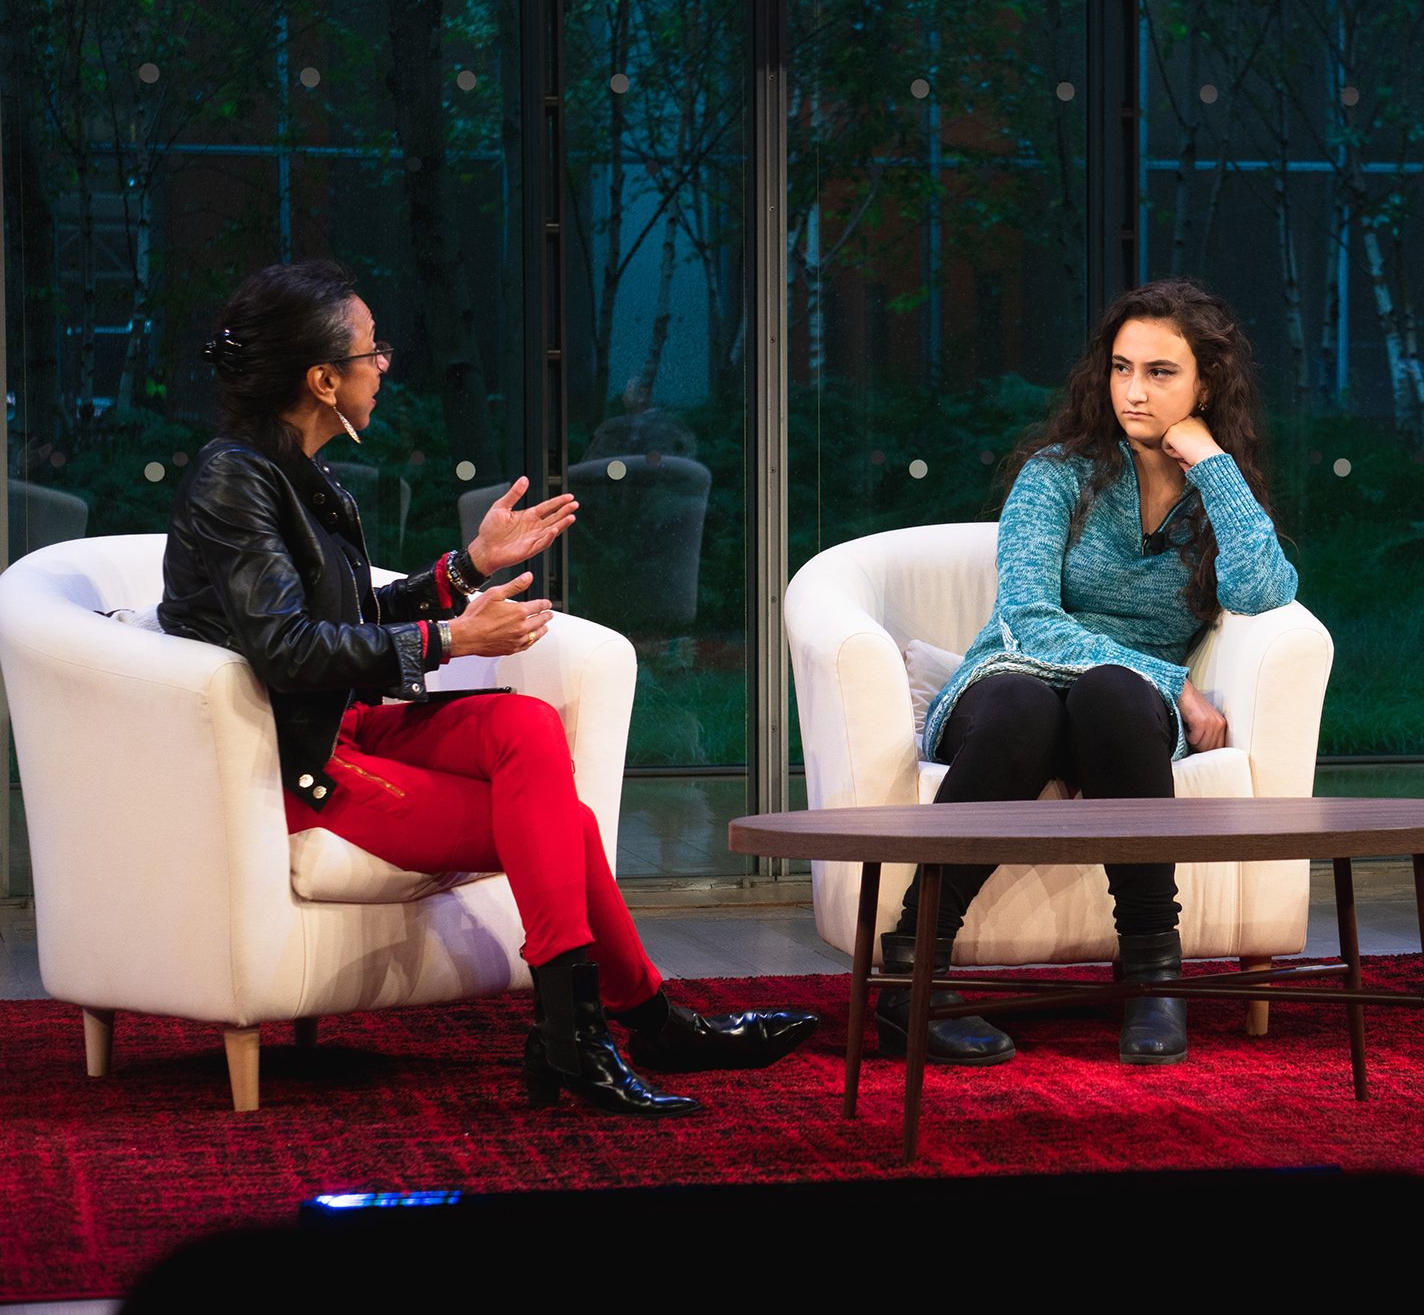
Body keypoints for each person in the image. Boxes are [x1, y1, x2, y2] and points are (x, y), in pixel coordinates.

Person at [158, 260, 818, 1117]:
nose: (384, 365)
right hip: (301, 762)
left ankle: (594, 1035)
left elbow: (346, 613)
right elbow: (287, 650)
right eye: (371, 349)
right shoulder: (234, 478)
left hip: (353, 725)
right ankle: (623, 1026)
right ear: (322, 379)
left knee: (526, 728)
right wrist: (448, 638)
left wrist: (465, 571)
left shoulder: (299, 472)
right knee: (561, 823)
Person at [880, 278, 1299, 1068]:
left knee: (1110, 694)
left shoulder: (1212, 492)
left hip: (1118, 719)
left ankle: (1152, 977)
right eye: (1121, 367)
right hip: (1010, 688)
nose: (1133, 392)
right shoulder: (1058, 474)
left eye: (1161, 372)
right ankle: (911, 980)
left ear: (1206, 383)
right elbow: (1028, 618)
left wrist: (1210, 460)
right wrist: (1168, 677)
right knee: (1027, 702)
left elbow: (1266, 590)